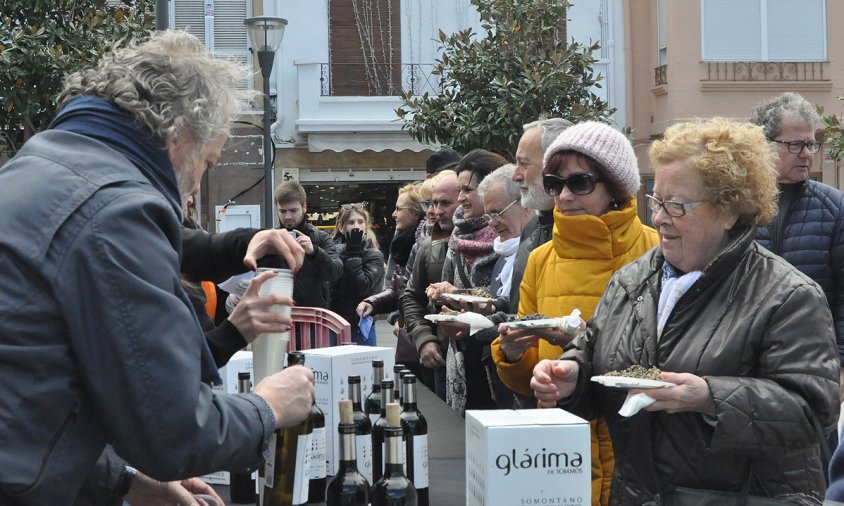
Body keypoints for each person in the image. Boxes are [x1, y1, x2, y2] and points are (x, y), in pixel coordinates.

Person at [0, 31, 315, 504]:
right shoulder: (117, 210)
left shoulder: (40, 165)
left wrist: (131, 484)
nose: (196, 184)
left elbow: (34, 399)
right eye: (209, 161)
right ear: (181, 135)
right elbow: (175, 430)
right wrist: (268, 406)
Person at [531, 117, 839, 504]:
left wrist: (709, 396)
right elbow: (595, 353)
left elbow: (812, 414)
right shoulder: (632, 280)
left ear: (730, 210)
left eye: (676, 205)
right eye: (657, 200)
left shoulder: (787, 295)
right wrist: (571, 374)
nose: (659, 217)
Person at [493, 121, 657, 506]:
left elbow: (675, 357)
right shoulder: (539, 259)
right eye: (554, 184)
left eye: (580, 183)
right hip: (560, 456)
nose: (564, 195)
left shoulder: (658, 253)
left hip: (639, 450)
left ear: (615, 186)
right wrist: (514, 356)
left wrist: (584, 348)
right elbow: (525, 383)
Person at [749, 92, 844, 402]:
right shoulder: (739, 207)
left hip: (814, 374)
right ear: (764, 145)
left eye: (811, 144)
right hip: (746, 374)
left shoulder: (833, 208)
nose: (806, 154)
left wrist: (841, 366)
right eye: (795, 145)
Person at [426, 148, 507, 414]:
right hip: (460, 357)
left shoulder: (511, 236)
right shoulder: (457, 235)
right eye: (459, 191)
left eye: (467, 190)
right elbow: (445, 292)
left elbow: (512, 301)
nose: (461, 199)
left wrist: (462, 298)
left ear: (491, 189)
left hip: (500, 355)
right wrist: (445, 298)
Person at [402, 170, 460, 400]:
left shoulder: (494, 241)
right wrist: (424, 339)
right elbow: (411, 297)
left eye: (446, 203)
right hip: (439, 357)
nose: (437, 211)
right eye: (434, 203)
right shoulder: (427, 247)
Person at [357, 184, 426, 373]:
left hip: (424, 332)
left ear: (415, 211)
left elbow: (414, 292)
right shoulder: (402, 239)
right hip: (410, 329)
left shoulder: (424, 243)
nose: (394, 214)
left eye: (398, 209)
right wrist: (376, 304)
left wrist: (405, 319)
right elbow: (395, 285)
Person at [271, 180, 344, 308]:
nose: (287, 216)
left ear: (304, 207)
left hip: (313, 316)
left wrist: (314, 252)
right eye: (282, 211)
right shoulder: (270, 238)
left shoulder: (321, 238)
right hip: (279, 314)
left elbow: (335, 272)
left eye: (293, 210)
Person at [330, 203, 386, 345]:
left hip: (359, 326)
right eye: (351, 222)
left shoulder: (374, 255)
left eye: (360, 222)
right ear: (341, 227)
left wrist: (354, 255)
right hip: (333, 324)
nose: (356, 226)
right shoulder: (332, 253)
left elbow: (363, 287)